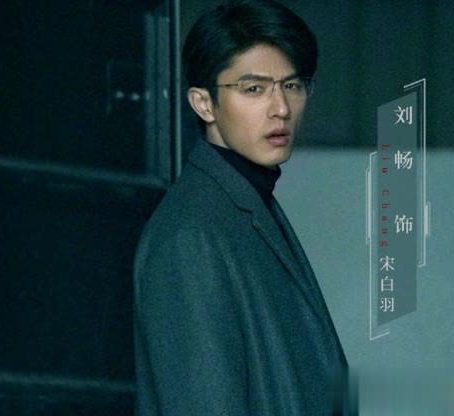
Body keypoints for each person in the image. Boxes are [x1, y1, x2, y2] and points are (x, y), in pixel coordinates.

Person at [133, 1, 350, 415]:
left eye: (292, 85)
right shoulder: (192, 237)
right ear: (204, 103)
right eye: (254, 89)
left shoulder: (247, 205)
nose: (281, 108)